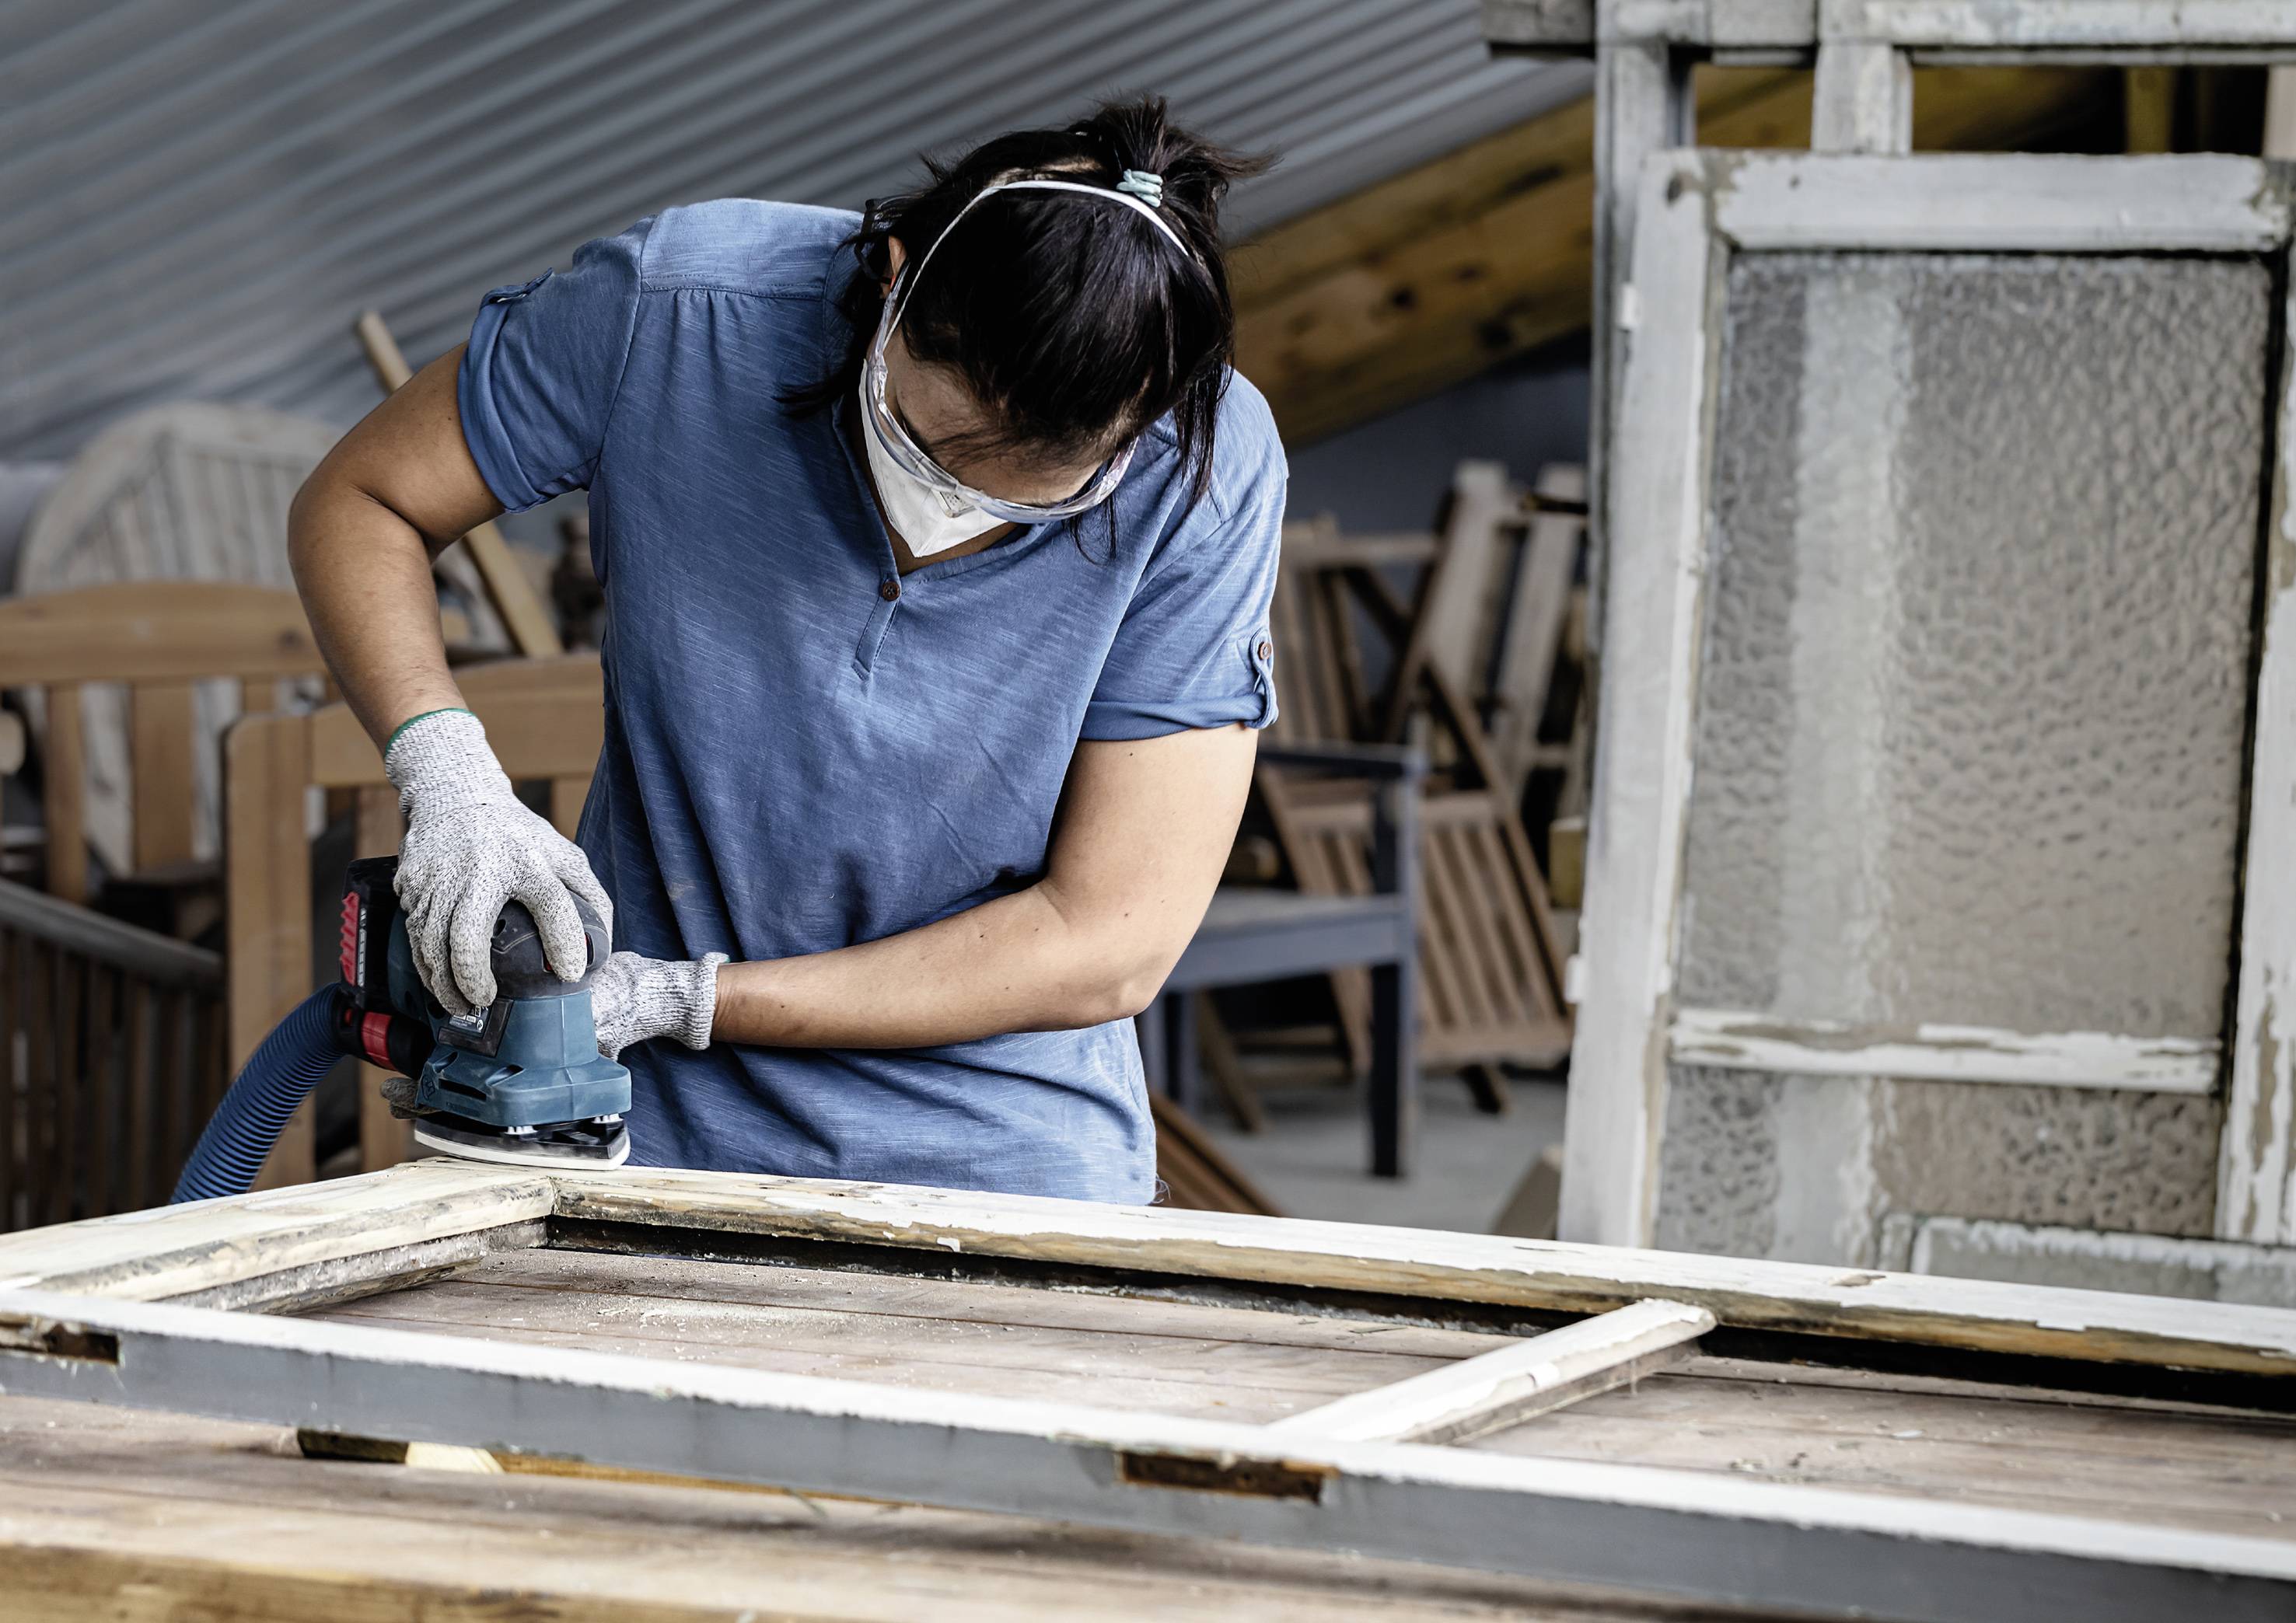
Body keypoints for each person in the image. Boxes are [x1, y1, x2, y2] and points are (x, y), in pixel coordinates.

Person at [288, 97, 1283, 1202]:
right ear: (896, 275)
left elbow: (1107, 938)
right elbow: (364, 498)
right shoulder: (678, 310)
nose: (945, 515)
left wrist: (685, 999)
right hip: (634, 1122)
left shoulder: (1203, 463)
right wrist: (447, 770)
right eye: (937, 452)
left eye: (1035, 499)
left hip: (1001, 1149)